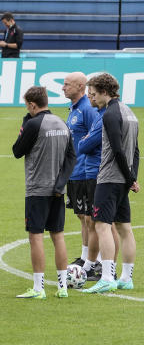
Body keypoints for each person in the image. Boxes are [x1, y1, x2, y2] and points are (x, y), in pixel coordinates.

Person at [11, 86, 76, 300]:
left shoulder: (33, 124)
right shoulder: (62, 123)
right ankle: (62, 287)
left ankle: (38, 288)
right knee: (58, 236)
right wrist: (61, 184)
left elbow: (17, 151)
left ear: (32, 104)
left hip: (37, 188)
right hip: (57, 190)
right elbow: (71, 158)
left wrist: (24, 124)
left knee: (36, 237)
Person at [82, 73, 138, 294]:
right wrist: (132, 177)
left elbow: (116, 149)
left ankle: (106, 277)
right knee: (125, 228)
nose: (92, 98)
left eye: (94, 94)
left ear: (105, 92)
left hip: (109, 178)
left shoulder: (110, 114)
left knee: (102, 226)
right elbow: (135, 150)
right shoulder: (130, 113)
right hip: (123, 179)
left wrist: (129, 177)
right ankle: (126, 278)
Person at [61, 72, 101, 269]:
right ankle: (86, 255)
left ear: (80, 87)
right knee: (82, 216)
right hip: (74, 171)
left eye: (67, 84)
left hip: (86, 170)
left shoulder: (87, 109)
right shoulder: (74, 108)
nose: (63, 87)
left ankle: (96, 260)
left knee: (90, 218)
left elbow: (96, 137)